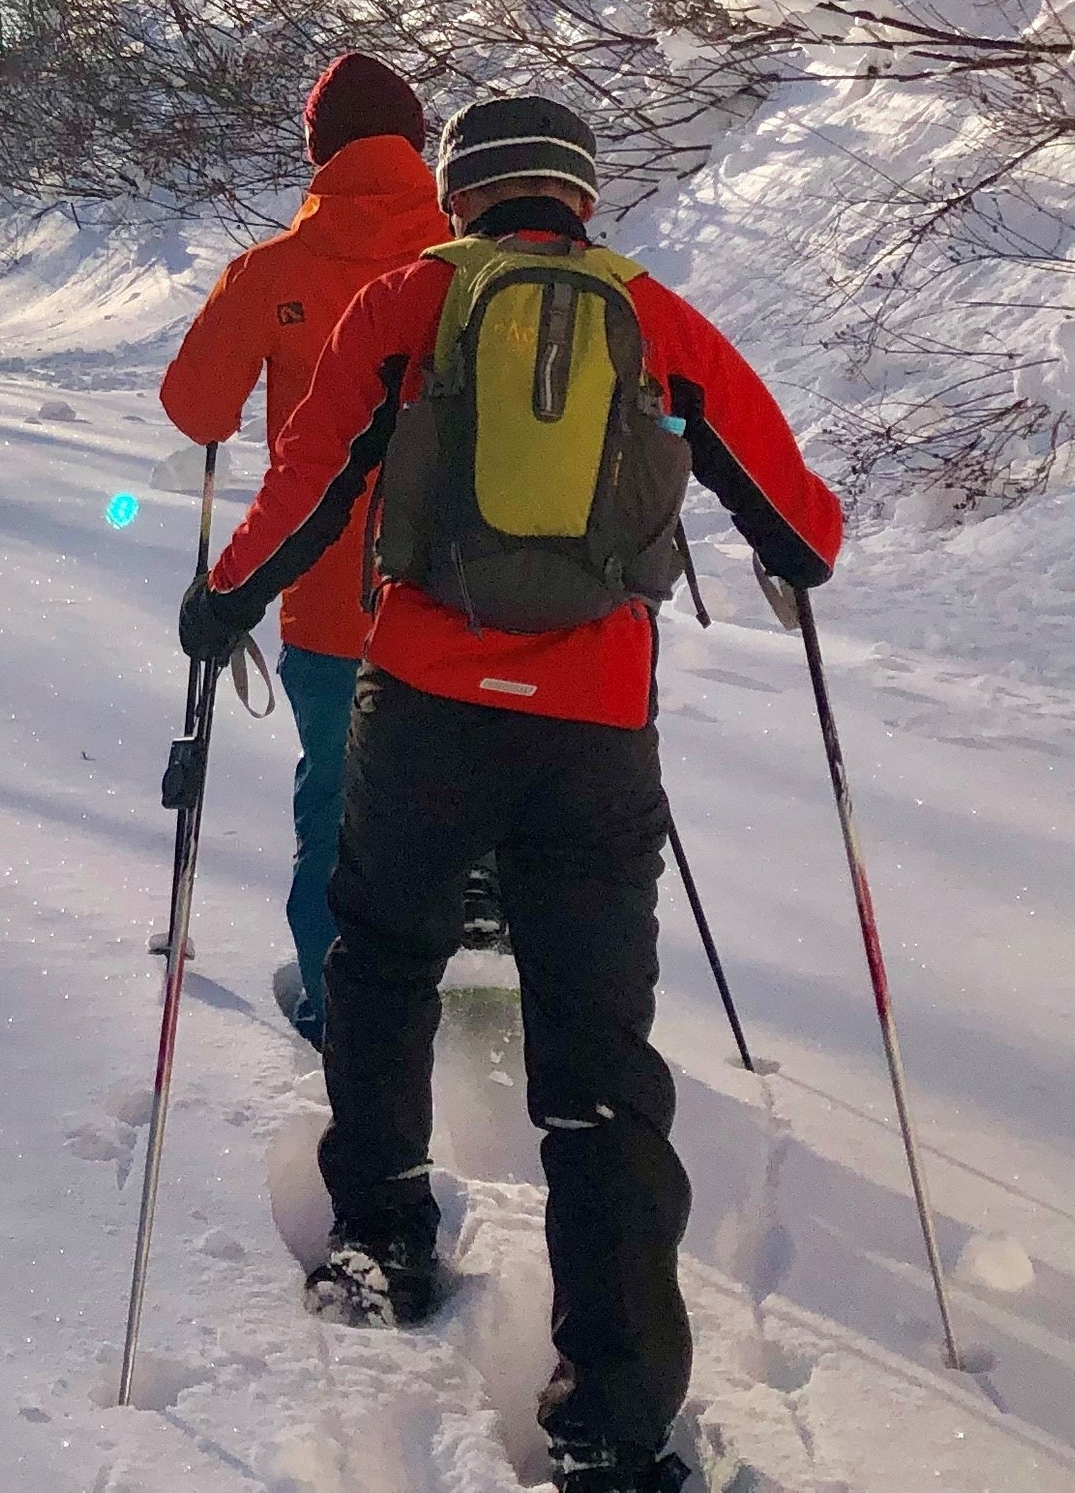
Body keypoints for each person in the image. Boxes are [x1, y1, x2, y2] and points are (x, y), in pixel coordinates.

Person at [172, 93, 842, 1493]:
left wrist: (224, 597)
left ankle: (382, 1237)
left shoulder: (410, 302)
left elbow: (304, 488)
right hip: (594, 734)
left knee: (385, 958)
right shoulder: (653, 312)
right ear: (583, 193)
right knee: (599, 1063)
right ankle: (612, 1415)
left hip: (422, 710)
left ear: (463, 188)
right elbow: (801, 521)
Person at [153, 50, 447, 1042]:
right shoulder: (472, 264)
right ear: (417, 146)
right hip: (460, 592)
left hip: (324, 594)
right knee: (457, 784)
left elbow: (194, 409)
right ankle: (459, 974)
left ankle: (341, 1005)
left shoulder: (270, 273)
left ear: (317, 152)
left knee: (338, 797)